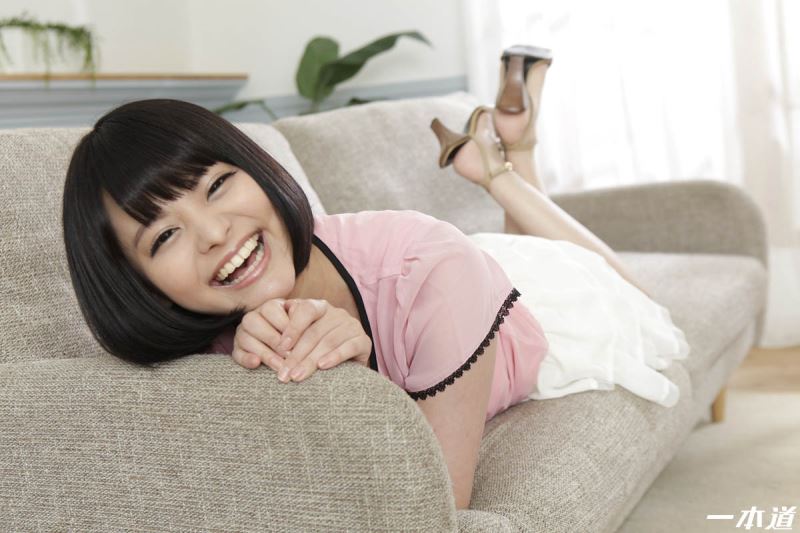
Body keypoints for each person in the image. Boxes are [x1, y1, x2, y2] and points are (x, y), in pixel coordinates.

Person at [61, 45, 651, 510]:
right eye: (164, 237)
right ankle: (497, 155)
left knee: (624, 289)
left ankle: (505, 166)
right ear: (135, 282)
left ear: (258, 169)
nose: (214, 233)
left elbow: (435, 502)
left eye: (217, 185)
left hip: (497, 301)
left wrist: (358, 376)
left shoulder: (436, 271)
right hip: (447, 279)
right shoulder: (203, 344)